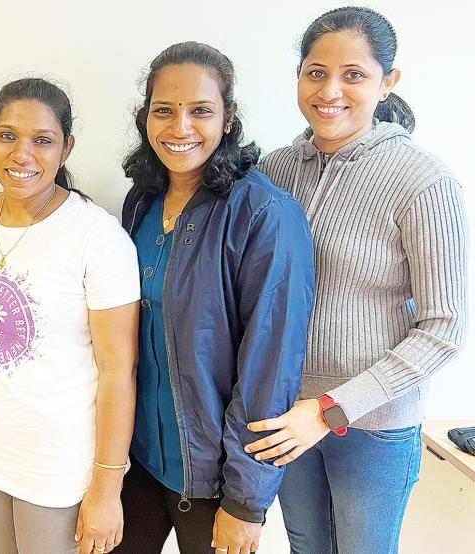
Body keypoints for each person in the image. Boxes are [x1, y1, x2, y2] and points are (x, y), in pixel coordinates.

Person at [247, 7, 467, 553]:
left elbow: (444, 328)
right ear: (298, 76)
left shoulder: (422, 179)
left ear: (388, 82)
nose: (330, 91)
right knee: (306, 548)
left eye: (354, 74)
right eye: (316, 72)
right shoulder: (275, 170)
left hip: (373, 426)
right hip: (285, 414)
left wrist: (331, 409)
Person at [112, 42, 316, 554]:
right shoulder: (141, 201)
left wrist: (245, 501)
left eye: (201, 110)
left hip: (214, 478)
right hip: (139, 460)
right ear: (145, 117)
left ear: (228, 118)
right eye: (164, 109)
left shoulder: (265, 213)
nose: (180, 127)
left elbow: (271, 368)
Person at [0, 77, 139, 554]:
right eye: (8, 136)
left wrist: (107, 487)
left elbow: (119, 372)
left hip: (57, 462)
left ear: (66, 147)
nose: (22, 154)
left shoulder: (96, 236)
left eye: (43, 140)